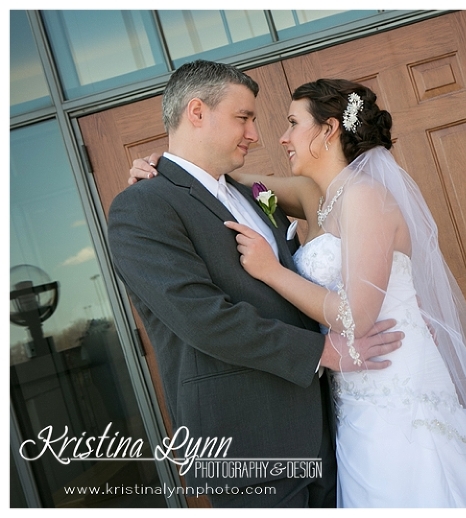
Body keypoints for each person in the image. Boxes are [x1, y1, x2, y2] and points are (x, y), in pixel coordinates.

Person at [131, 77, 466, 508]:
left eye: (293, 123)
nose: (278, 137)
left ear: (329, 129)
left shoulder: (366, 198)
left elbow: (355, 316)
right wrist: (161, 165)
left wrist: (271, 271)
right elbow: (220, 183)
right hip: (344, 397)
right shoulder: (308, 197)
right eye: (247, 118)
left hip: (391, 375)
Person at [108, 61, 403, 508]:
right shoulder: (142, 207)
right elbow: (203, 317)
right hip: (246, 439)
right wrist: (322, 352)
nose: (255, 133)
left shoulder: (256, 194)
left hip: (326, 429)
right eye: (243, 118)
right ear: (196, 112)